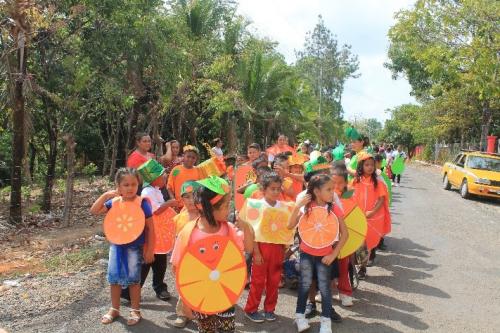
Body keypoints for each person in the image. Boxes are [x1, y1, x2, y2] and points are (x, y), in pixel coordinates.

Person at [170, 176, 255, 333]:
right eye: (225, 206)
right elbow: (177, 268)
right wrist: (187, 302)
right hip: (201, 295)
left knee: (227, 329)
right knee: (206, 329)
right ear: (209, 208)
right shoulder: (189, 233)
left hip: (224, 294)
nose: (229, 210)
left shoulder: (229, 229)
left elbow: (248, 249)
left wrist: (246, 226)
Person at [90, 168, 155, 326]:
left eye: (134, 184)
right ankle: (115, 308)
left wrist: (149, 250)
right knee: (114, 280)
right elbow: (94, 211)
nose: (130, 188)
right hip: (116, 246)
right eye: (125, 184)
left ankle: (135, 310)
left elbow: (151, 229)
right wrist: (106, 195)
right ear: (118, 186)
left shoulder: (142, 204)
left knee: (134, 280)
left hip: (134, 248)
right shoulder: (113, 202)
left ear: (138, 185)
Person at [288, 174, 348, 333]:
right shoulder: (307, 207)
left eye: (333, 189)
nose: (332, 193)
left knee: (325, 288)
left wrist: (333, 254)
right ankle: (300, 317)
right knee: (304, 285)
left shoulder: (334, 208)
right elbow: (290, 225)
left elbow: (345, 235)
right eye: (328, 189)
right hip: (306, 255)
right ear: (316, 191)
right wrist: (297, 206)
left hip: (325, 257)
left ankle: (326, 321)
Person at [243, 172, 287, 323]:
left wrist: (285, 247)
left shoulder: (283, 207)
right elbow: (251, 230)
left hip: (277, 248)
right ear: (263, 189)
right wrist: (256, 252)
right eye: (272, 189)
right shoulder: (257, 205)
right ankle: (251, 309)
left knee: (274, 280)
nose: (276, 192)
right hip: (260, 248)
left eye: (278, 189)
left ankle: (269, 309)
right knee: (257, 281)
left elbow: (286, 229)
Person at [136, 160, 179, 301]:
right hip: (151, 233)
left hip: (159, 233)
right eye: (162, 175)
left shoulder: (156, 190)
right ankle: (130, 291)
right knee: (147, 261)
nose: (165, 177)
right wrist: (169, 203)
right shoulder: (147, 192)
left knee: (160, 261)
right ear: (153, 179)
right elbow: (156, 211)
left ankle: (160, 287)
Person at [351, 152, 391, 279]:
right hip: (357, 217)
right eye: (366, 165)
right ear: (361, 166)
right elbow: (349, 197)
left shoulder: (378, 183)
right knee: (357, 244)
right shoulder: (355, 181)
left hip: (372, 219)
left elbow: (381, 199)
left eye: (372, 165)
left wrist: (372, 212)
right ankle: (356, 265)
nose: (369, 167)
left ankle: (362, 269)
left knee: (367, 244)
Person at [172, 180, 201, 328]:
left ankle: (201, 313)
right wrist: (174, 261)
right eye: (187, 197)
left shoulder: (205, 217)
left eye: (194, 196)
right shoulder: (179, 217)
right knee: (184, 288)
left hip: (201, 260)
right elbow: (176, 242)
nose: (191, 201)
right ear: (182, 199)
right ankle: (183, 314)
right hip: (184, 260)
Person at [331, 164, 354, 307]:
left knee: (344, 265)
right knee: (326, 265)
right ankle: (326, 290)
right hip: (327, 237)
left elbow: (355, 216)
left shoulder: (350, 195)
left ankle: (345, 292)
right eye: (333, 183)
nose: (336, 186)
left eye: (340, 183)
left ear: (346, 182)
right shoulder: (324, 195)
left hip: (343, 238)